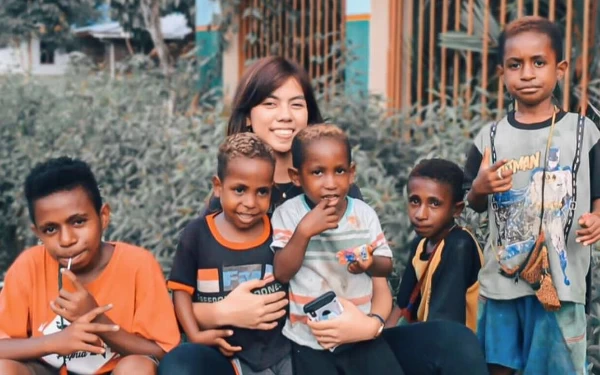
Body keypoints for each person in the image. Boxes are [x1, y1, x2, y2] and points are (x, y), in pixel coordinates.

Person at [160, 56, 489, 375]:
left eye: (297, 104)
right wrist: (220, 312)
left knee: (454, 342)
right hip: (262, 350)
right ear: (248, 115)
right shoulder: (232, 205)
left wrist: (370, 324)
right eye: (271, 104)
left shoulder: (336, 194)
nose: (285, 115)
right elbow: (182, 300)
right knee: (183, 364)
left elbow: (378, 281)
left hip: (345, 336)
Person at [464, 16, 600, 375]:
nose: (527, 73)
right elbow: (472, 202)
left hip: (562, 283)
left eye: (538, 63)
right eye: (515, 65)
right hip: (502, 284)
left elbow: (598, 190)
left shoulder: (583, 132)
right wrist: (480, 187)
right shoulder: (489, 138)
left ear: (560, 69)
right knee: (499, 367)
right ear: (502, 73)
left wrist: (597, 217)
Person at [0, 157, 180, 375]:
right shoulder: (29, 266)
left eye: (78, 222)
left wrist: (96, 318)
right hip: (44, 370)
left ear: (103, 217)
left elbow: (163, 352)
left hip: (115, 371)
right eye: (50, 229)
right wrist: (54, 342)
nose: (66, 239)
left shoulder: (137, 265)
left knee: (138, 367)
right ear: (37, 232)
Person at [271, 124, 400, 374]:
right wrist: (304, 232)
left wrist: (370, 263)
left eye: (339, 171)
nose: (330, 183)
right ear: (296, 177)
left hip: (360, 333)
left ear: (351, 173)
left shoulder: (363, 214)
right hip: (309, 340)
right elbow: (282, 272)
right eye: (317, 172)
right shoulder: (288, 214)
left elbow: (386, 265)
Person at [166, 133, 291, 375]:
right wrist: (195, 334)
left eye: (262, 192)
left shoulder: (279, 231)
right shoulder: (197, 235)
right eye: (240, 190)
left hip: (279, 349)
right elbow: (180, 292)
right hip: (226, 353)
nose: (251, 202)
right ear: (218, 186)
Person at [386, 159, 482, 331]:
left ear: (457, 209)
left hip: (461, 348)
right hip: (432, 338)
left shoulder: (459, 245)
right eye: (415, 201)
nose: (421, 214)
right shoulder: (421, 244)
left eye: (434, 204)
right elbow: (401, 307)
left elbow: (443, 325)